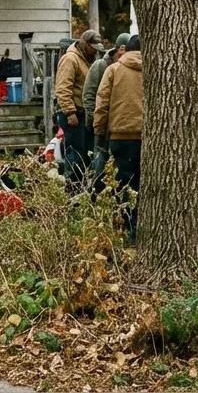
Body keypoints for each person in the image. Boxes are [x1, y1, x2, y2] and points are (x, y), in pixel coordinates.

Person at [94, 34, 142, 240]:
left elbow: (102, 104)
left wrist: (99, 134)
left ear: (126, 50)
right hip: (147, 138)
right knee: (144, 185)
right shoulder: (158, 72)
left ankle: (126, 229)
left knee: (123, 183)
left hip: (120, 136)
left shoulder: (113, 70)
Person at [53, 28, 104, 185]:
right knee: (75, 153)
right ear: (85, 44)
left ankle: (82, 185)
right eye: (92, 48)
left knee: (85, 153)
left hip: (83, 113)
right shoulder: (70, 59)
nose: (95, 52)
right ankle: (73, 186)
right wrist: (69, 112)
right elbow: (62, 88)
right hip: (74, 114)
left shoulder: (85, 60)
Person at [86, 33, 129, 186]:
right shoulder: (100, 66)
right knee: (99, 161)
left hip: (115, 124)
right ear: (120, 49)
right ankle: (96, 191)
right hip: (100, 122)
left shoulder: (123, 69)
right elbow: (90, 95)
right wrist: (93, 120)